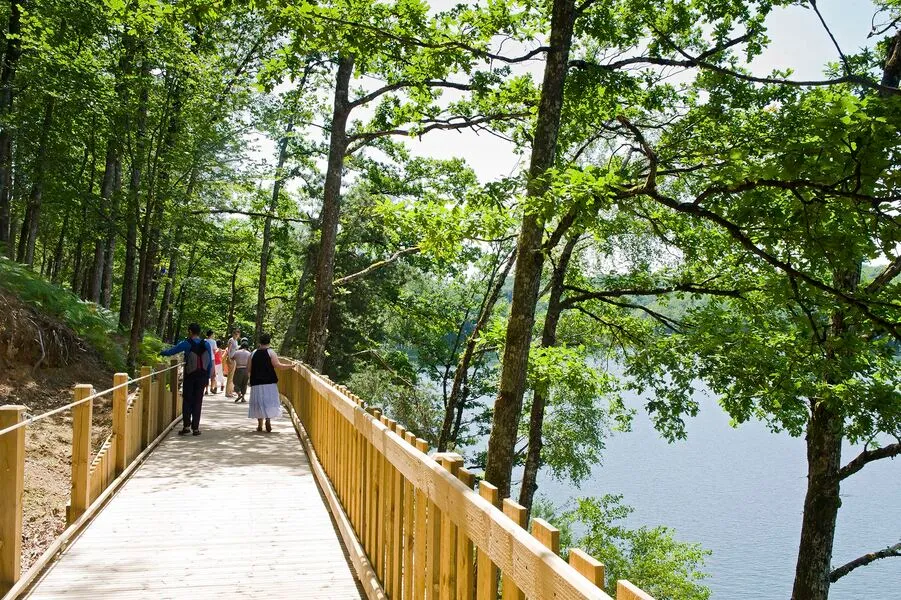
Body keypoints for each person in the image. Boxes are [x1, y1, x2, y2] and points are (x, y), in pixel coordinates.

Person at [161, 323, 214, 436]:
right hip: (202, 376)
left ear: (190, 331)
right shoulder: (206, 344)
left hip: (190, 376)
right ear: (199, 332)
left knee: (187, 400)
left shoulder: (186, 344)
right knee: (198, 401)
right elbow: (209, 362)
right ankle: (196, 428)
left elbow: (172, 351)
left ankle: (186, 427)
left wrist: (161, 352)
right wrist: (208, 377)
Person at [247, 333, 294, 432]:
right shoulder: (271, 352)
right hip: (269, 382)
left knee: (259, 402)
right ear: (269, 342)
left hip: (256, 382)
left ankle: (259, 424)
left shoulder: (253, 353)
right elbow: (278, 365)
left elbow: (248, 368)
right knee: (268, 401)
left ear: (260, 342)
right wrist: (291, 366)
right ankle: (268, 420)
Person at [231, 339, 251, 403]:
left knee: (236, 383)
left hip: (239, 369)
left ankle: (239, 393)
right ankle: (243, 398)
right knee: (244, 384)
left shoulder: (237, 352)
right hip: (246, 370)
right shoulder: (249, 354)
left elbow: (232, 358)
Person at [225, 328, 240, 398]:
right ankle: (227, 392)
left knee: (232, 376)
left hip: (234, 359)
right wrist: (229, 358)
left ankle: (230, 391)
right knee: (230, 376)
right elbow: (229, 349)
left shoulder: (236, 341)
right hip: (231, 359)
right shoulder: (231, 340)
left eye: (238, 334)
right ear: (233, 334)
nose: (236, 335)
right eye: (235, 334)